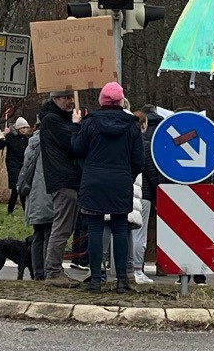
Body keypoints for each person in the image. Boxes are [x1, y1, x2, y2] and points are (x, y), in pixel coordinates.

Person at [71, 82, 147, 292]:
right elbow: (139, 160)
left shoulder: (90, 123)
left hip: (94, 181)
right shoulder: (132, 125)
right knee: (120, 230)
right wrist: (127, 177)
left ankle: (96, 279)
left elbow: (77, 149)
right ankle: (122, 280)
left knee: (95, 230)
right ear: (122, 101)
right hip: (120, 182)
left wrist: (76, 125)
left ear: (101, 101)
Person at [36, 91, 84, 283]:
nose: (70, 101)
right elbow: (73, 145)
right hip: (63, 179)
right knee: (62, 227)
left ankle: (55, 270)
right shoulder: (52, 121)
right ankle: (53, 271)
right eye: (66, 97)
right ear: (55, 99)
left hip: (66, 178)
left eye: (71, 97)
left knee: (64, 226)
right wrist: (76, 126)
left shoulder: (57, 119)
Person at [18, 124, 54, 280]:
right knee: (49, 233)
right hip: (47, 193)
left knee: (38, 234)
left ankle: (38, 272)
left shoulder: (31, 144)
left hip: (33, 195)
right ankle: (48, 271)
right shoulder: (50, 144)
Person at [0, 116, 32, 214]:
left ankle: (12, 210)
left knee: (19, 188)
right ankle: (23, 210)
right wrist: (2, 139)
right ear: (18, 128)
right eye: (23, 128)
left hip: (24, 165)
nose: (25, 130)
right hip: (13, 165)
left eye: (26, 128)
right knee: (16, 187)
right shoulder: (10, 137)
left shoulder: (28, 138)